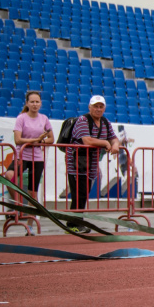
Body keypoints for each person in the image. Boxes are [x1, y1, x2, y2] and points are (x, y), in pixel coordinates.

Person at [65, 95, 120, 233]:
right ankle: (74, 223)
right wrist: (106, 143)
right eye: (96, 106)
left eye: (101, 106)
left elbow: (114, 137)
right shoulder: (83, 120)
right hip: (76, 162)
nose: (98, 109)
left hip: (91, 163)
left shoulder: (105, 122)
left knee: (83, 193)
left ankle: (75, 222)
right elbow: (87, 141)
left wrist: (115, 144)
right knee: (80, 193)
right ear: (89, 107)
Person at [4, 91, 54, 206]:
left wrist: (41, 141)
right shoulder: (21, 118)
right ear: (27, 103)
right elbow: (18, 140)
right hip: (22, 155)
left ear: (41, 103)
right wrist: (35, 140)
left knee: (33, 192)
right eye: (32, 102)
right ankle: (19, 204)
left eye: (37, 102)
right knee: (9, 175)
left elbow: (51, 139)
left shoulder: (44, 118)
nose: (34, 104)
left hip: (37, 158)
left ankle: (30, 221)